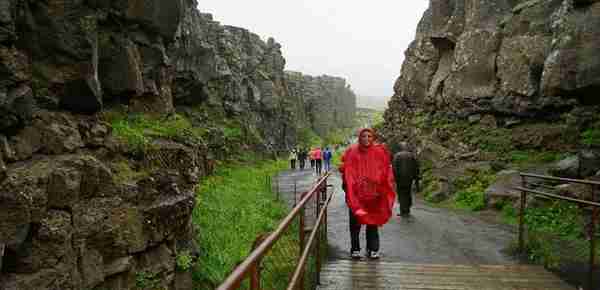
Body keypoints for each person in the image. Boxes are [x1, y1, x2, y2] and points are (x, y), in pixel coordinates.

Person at [339, 128, 396, 259]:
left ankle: (373, 249)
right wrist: (349, 186)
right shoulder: (352, 152)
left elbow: (385, 169)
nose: (366, 139)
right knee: (355, 222)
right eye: (364, 136)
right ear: (360, 137)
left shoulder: (378, 152)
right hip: (357, 198)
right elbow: (346, 169)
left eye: (369, 136)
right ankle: (355, 249)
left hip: (372, 196)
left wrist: (383, 186)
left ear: (373, 138)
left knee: (372, 222)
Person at [392, 142, 420, 218]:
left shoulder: (397, 156)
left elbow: (394, 168)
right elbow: (416, 167)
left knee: (401, 194)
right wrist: (416, 178)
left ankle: (403, 211)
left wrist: (394, 178)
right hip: (409, 178)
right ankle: (407, 210)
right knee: (408, 193)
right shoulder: (412, 156)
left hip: (400, 178)